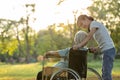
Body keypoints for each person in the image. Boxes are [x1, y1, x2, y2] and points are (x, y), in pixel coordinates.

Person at [73, 14, 116, 80]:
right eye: (81, 26)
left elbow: (89, 36)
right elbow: (104, 42)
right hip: (107, 50)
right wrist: (96, 48)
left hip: (108, 50)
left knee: (106, 73)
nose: (82, 26)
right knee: (105, 72)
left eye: (82, 23)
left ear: (86, 18)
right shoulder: (93, 26)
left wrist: (79, 45)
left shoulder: (93, 24)